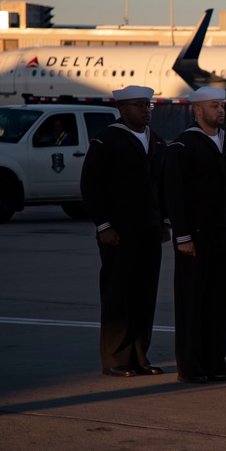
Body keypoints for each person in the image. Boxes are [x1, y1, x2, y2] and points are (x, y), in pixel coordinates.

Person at [80, 85, 169, 377]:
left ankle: (140, 355)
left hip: (149, 230)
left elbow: (162, 187)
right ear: (123, 109)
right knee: (119, 294)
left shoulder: (156, 142)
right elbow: (91, 186)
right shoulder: (107, 140)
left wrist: (164, 222)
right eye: (140, 105)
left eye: (148, 105)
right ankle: (116, 358)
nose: (146, 111)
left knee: (145, 294)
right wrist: (103, 225)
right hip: (118, 233)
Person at [164, 87, 226, 384]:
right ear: (197, 110)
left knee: (218, 302)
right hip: (194, 237)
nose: (220, 110)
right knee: (192, 303)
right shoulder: (184, 145)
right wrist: (182, 235)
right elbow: (175, 192)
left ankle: (215, 363)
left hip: (221, 236)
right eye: (214, 106)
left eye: (221, 105)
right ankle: (191, 367)